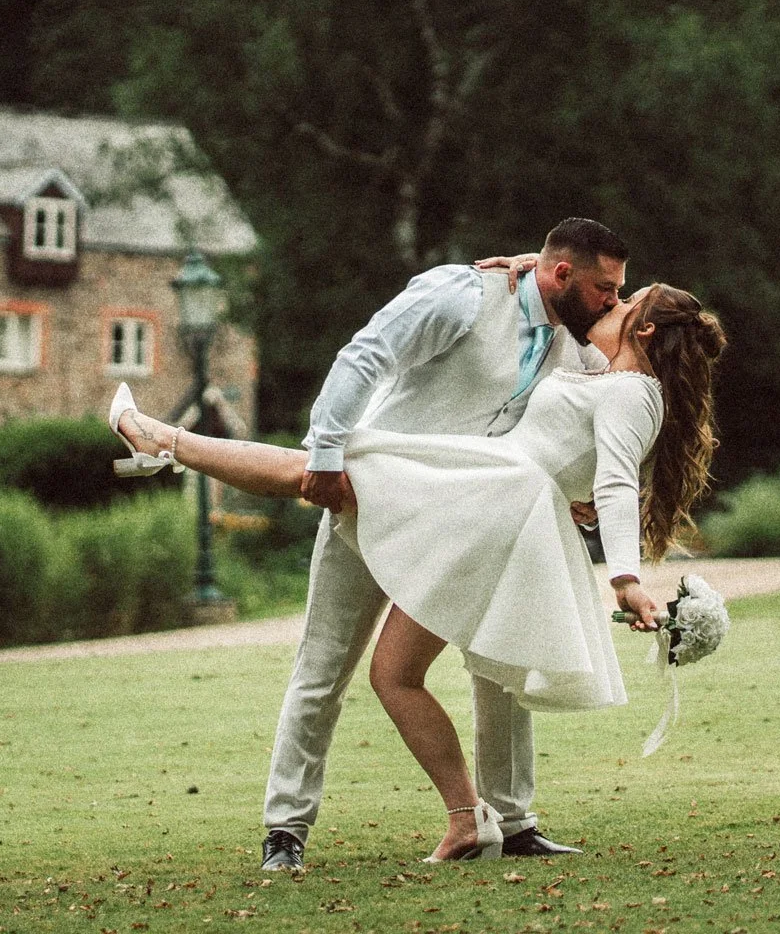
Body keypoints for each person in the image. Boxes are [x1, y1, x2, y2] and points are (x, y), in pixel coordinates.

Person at [110, 221, 726, 863]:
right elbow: (365, 355)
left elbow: (613, 463)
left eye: (621, 296)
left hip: (478, 510)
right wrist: (325, 447)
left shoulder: (585, 350)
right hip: (397, 483)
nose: (611, 302)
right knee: (325, 663)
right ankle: (285, 830)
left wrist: (602, 537)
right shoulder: (463, 294)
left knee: (497, 665)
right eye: (607, 289)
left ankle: (509, 823)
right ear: (562, 274)